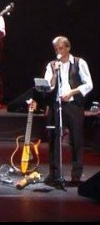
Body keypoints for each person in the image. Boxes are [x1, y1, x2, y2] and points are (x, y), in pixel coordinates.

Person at [42, 36, 93, 188]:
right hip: (57, 106)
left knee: (76, 139)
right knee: (54, 139)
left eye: (61, 48)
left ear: (68, 48)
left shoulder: (79, 62)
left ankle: (76, 174)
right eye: (56, 49)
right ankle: (55, 173)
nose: (58, 51)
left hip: (73, 105)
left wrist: (72, 93)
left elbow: (88, 84)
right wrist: (55, 74)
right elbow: (48, 86)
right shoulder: (52, 65)